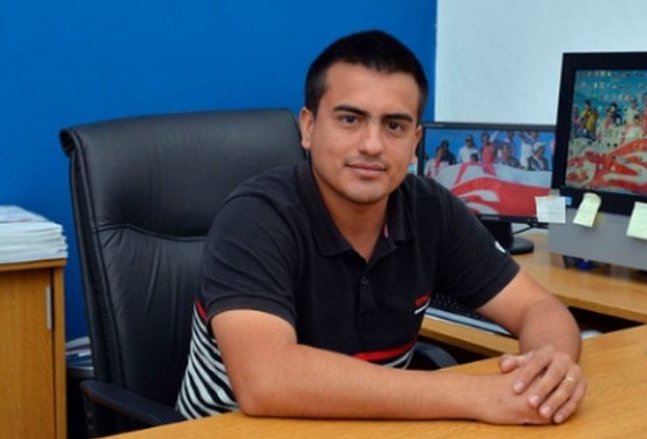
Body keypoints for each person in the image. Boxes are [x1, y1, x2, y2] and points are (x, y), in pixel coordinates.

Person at [176, 30, 585, 425]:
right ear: (308, 127)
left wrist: (550, 371)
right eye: (350, 119)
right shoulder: (256, 217)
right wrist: (475, 395)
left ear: (415, 142)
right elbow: (266, 381)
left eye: (394, 126)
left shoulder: (431, 210)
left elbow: (540, 309)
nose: (372, 145)